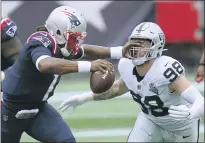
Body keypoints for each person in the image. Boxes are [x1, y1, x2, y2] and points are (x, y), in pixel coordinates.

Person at [1, 6, 135, 143]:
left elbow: (86, 51)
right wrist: (89, 66)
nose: (76, 43)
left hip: (38, 108)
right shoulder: (40, 40)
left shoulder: (62, 44)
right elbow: (45, 65)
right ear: (58, 31)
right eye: (73, 38)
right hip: (10, 108)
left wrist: (120, 52)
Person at [59, 22, 204, 142]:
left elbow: (199, 100)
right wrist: (83, 98)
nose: (135, 48)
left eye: (142, 44)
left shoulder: (165, 69)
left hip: (181, 127)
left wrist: (192, 113)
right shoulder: (126, 65)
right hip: (150, 120)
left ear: (156, 45)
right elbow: (117, 88)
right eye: (134, 42)